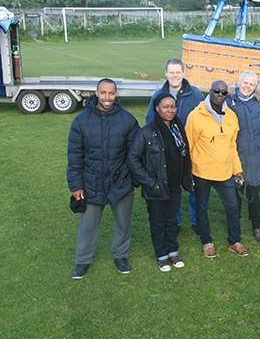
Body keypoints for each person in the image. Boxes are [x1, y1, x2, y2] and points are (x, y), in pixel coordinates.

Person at [67, 78, 139, 279]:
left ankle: (121, 255)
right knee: (88, 225)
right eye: (104, 92)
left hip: (121, 181)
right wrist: (76, 185)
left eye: (112, 93)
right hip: (91, 182)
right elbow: (74, 156)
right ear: (96, 93)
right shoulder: (81, 121)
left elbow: (134, 154)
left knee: (124, 223)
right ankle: (82, 260)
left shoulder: (128, 119)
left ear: (116, 94)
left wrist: (133, 181)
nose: (108, 97)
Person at [128, 93, 194, 271]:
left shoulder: (177, 127)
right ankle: (162, 255)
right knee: (158, 222)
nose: (170, 110)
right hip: (156, 187)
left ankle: (173, 251)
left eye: (172, 106)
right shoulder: (147, 131)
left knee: (172, 220)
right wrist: (149, 182)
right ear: (157, 108)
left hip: (174, 184)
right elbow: (133, 158)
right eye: (165, 107)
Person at [185, 80, 248, 258]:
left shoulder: (231, 116)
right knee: (201, 207)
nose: (220, 95)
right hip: (201, 171)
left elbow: (232, 146)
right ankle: (207, 242)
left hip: (225, 171)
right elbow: (188, 146)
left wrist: (237, 169)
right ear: (210, 91)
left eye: (224, 92)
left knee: (233, 206)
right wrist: (187, 172)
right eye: (216, 91)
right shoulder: (195, 116)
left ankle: (234, 241)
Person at [145, 58, 204, 233]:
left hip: (191, 149)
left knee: (194, 187)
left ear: (183, 73)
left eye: (178, 72)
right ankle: (175, 221)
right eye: (172, 72)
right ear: (166, 73)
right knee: (172, 187)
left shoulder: (195, 94)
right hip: (168, 152)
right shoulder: (158, 95)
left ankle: (196, 221)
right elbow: (150, 121)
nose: (175, 75)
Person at [227, 71, 260, 242]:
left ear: (255, 87)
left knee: (254, 194)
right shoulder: (229, 103)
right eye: (245, 83)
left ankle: (256, 226)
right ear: (239, 83)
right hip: (238, 157)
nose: (247, 86)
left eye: (251, 84)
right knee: (236, 195)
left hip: (257, 157)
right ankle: (235, 227)